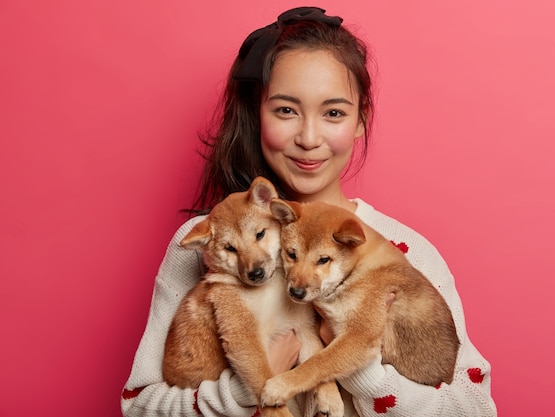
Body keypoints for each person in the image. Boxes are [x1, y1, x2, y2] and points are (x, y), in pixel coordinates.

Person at [121, 6, 497, 417]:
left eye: (333, 113)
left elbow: (474, 407)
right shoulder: (209, 246)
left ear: (360, 121)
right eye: (285, 110)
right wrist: (252, 388)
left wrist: (359, 368)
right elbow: (138, 405)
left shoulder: (405, 252)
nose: (309, 137)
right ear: (256, 114)